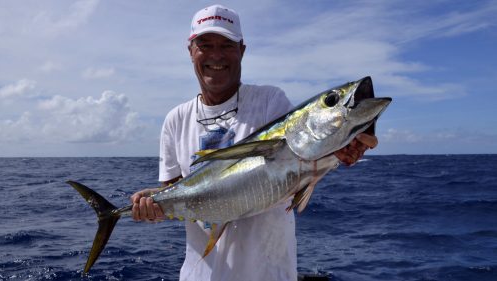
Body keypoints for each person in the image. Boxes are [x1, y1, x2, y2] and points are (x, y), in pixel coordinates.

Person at [130, 4, 378, 281]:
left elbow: (299, 164)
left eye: (226, 45)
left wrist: (342, 151)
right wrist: (152, 207)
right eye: (205, 45)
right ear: (191, 51)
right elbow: (175, 192)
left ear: (242, 51)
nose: (216, 55)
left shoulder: (270, 101)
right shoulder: (175, 119)